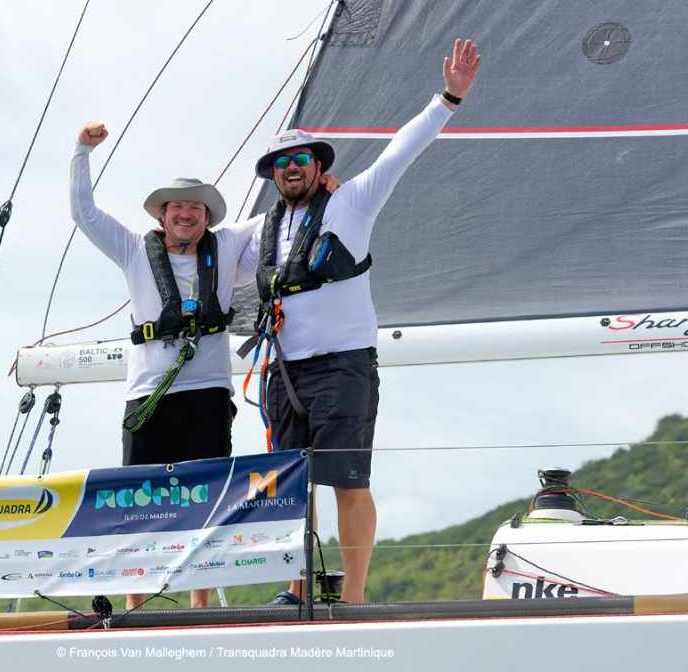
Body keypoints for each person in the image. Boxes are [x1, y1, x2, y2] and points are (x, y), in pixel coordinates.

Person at [245, 39, 482, 605]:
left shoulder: (353, 201)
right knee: (290, 490)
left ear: (320, 165)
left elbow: (402, 150)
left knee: (349, 482)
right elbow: (196, 240)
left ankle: (352, 598)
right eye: (281, 165)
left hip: (342, 366)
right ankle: (296, 589)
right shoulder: (262, 229)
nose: (291, 169)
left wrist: (449, 97)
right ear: (274, 177)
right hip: (284, 370)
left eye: (301, 160)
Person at [70, 123, 339, 608]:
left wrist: (325, 189)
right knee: (141, 500)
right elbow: (84, 214)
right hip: (149, 394)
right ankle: (136, 601)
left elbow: (288, 212)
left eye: (196, 209)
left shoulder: (230, 244)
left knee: (206, 499)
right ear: (162, 216)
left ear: (207, 217)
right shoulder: (133, 249)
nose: (187, 214)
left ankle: (199, 602)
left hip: (209, 392)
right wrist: (82, 152)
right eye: (178, 208)